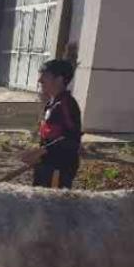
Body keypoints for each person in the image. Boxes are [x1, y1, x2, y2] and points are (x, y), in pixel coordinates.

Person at [20, 59, 82, 188]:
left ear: (59, 79)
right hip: (45, 165)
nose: (39, 81)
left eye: (45, 76)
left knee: (52, 206)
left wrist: (42, 151)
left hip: (59, 168)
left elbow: (72, 139)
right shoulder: (51, 104)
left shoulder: (67, 104)